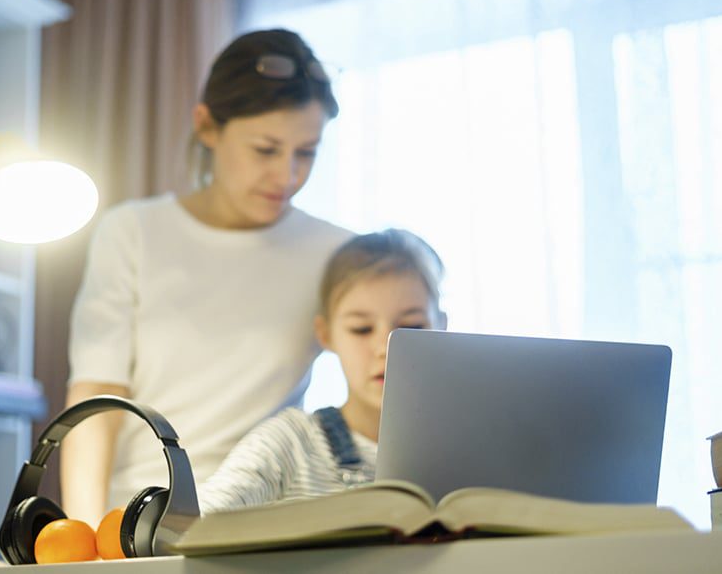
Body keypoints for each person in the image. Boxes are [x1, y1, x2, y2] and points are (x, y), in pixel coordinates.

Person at [62, 29, 352, 526]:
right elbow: (96, 401)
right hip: (139, 523)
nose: (287, 176)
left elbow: (380, 385)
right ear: (206, 126)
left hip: (266, 528)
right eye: (266, 149)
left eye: (306, 153)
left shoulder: (333, 252)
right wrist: (85, 542)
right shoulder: (132, 232)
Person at [199, 229, 446, 513]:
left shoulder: (469, 447)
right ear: (326, 335)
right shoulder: (291, 444)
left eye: (411, 326)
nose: (384, 348)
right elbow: (194, 526)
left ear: (441, 327)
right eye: (361, 329)